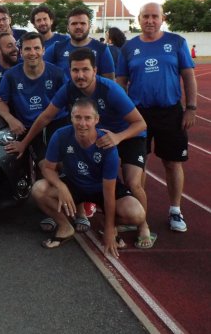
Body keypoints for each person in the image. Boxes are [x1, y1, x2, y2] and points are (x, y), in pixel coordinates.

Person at [11, 48, 152, 245]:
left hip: (127, 133)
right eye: (75, 70)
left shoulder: (110, 90)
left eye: (85, 70)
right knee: (76, 171)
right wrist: (24, 143)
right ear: (70, 71)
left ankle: (143, 225)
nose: (80, 75)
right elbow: (46, 117)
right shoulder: (69, 89)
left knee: (133, 181)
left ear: (94, 70)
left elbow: (140, 123)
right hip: (95, 133)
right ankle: (77, 215)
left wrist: (118, 138)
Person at [116, 2, 197, 233]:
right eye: (145, 16)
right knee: (138, 165)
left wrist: (191, 108)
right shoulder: (128, 48)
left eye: (154, 16)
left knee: (172, 163)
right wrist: (123, 111)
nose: (150, 20)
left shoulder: (176, 42)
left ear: (162, 19)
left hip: (170, 112)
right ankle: (138, 213)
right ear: (138, 20)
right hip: (137, 114)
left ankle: (175, 210)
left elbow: (189, 76)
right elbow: (121, 82)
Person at [32, 97, 146, 257]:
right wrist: (61, 186)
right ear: (71, 117)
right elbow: (48, 168)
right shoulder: (60, 135)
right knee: (39, 189)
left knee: (137, 214)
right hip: (74, 184)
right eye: (77, 117)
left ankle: (108, 224)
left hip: (101, 189)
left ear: (97, 119)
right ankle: (65, 227)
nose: (82, 123)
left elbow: (108, 191)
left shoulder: (107, 145)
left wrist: (109, 228)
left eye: (88, 118)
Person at [0, 32, 67, 169]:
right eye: (27, 49)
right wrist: (10, 118)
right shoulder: (11, 76)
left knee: (63, 165)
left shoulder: (57, 74)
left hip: (56, 124)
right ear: (21, 52)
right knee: (45, 167)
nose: (32, 53)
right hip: (28, 128)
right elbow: (0, 101)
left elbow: (69, 103)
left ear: (43, 50)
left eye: (36, 48)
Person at [44, 7, 115, 81]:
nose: (78, 26)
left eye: (82, 23)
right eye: (74, 24)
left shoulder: (101, 49)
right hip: (65, 92)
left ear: (89, 26)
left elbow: (109, 82)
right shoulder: (57, 48)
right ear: (68, 27)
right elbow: (40, 69)